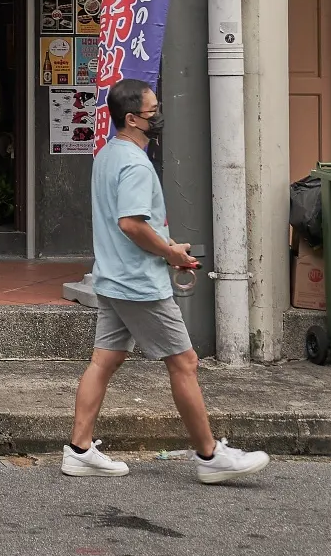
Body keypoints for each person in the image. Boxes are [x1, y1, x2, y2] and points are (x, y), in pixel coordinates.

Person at [62, 79, 269, 484]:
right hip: (139, 284)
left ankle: (80, 450)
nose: (159, 117)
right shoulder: (137, 163)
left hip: (113, 276)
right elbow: (130, 224)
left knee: (104, 361)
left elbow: (130, 222)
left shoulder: (107, 155)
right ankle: (210, 457)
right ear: (132, 118)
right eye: (153, 111)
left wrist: (168, 244)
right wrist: (170, 252)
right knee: (185, 362)